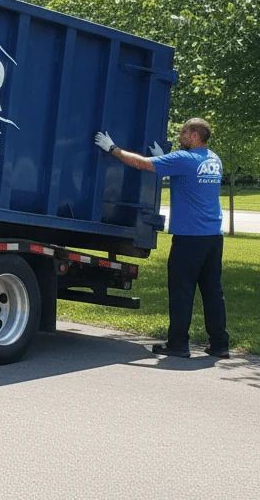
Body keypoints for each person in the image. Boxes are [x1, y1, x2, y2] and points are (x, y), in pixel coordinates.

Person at [93, 118, 230, 359]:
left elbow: (142, 164)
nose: (180, 134)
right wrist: (164, 162)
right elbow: (190, 182)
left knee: (182, 290)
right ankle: (220, 344)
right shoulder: (213, 160)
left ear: (195, 135)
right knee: (212, 291)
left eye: (184, 131)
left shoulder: (184, 159)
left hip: (189, 238)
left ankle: (178, 344)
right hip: (213, 238)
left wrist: (112, 148)